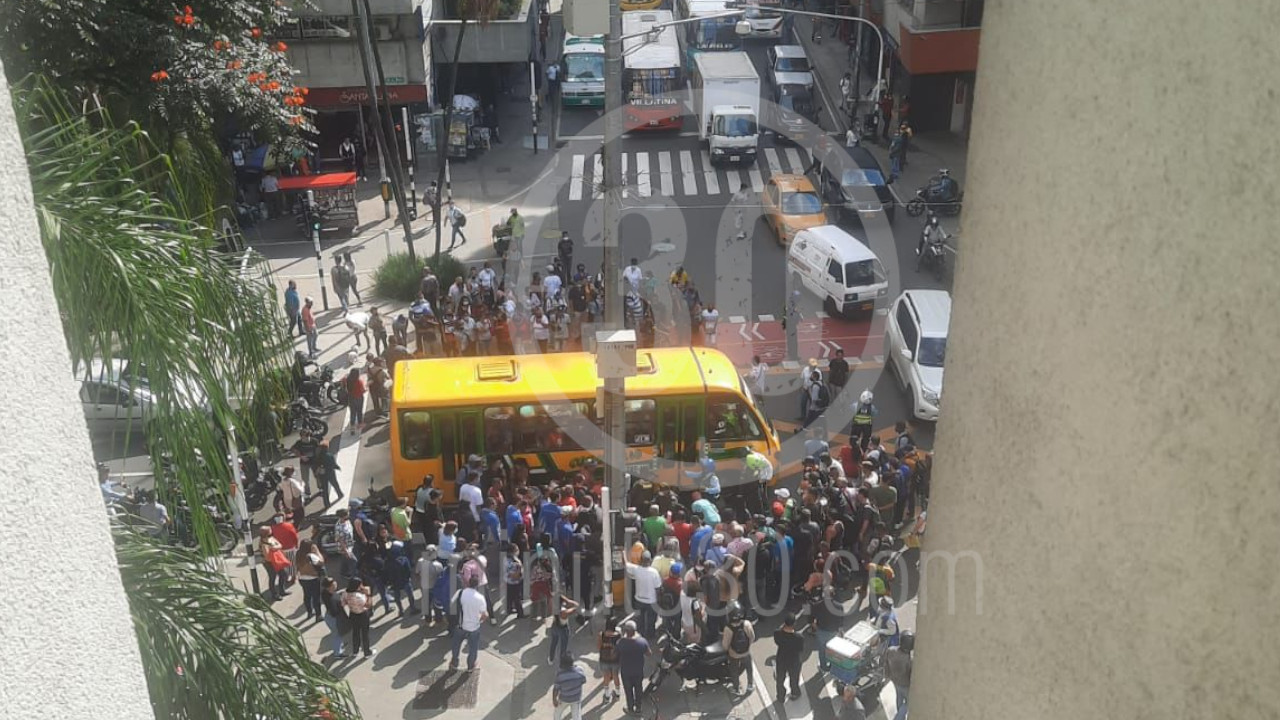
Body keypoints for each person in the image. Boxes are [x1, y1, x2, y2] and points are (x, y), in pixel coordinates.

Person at [450, 575, 488, 671]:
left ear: (468, 583)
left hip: (460, 626)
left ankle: (454, 663)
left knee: (456, 646)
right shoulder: (480, 598)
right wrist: (479, 621)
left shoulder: (460, 592)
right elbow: (485, 615)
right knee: (473, 648)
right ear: (478, 585)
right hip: (473, 628)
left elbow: (451, 604)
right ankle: (471, 666)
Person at [616, 620, 651, 715]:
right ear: (635, 630)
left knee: (628, 691)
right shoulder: (642, 641)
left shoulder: (621, 642)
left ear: (626, 631)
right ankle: (638, 708)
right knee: (638, 689)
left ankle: (630, 709)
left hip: (626, 671)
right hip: (638, 670)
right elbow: (649, 654)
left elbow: (616, 655)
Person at [625, 551, 662, 639]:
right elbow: (658, 588)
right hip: (651, 601)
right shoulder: (654, 572)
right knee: (651, 620)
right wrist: (658, 601)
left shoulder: (636, 569)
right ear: (650, 560)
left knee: (640, 619)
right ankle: (650, 635)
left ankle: (640, 633)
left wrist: (623, 552)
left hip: (639, 600)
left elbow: (626, 564)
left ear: (641, 560)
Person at [723, 608, 756, 694]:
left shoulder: (728, 628)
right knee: (749, 668)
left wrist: (728, 650)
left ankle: (736, 688)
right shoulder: (746, 624)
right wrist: (747, 646)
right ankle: (750, 685)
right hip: (746, 652)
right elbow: (752, 637)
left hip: (733, 654)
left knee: (734, 670)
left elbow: (725, 644)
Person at [773, 612, 804, 702]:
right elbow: (800, 649)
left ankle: (780, 695)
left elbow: (777, 641)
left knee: (780, 679)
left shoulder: (777, 633)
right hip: (794, 660)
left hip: (781, 658)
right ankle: (795, 693)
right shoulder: (799, 637)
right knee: (794, 678)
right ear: (794, 624)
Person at [343, 577, 375, 658]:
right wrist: (369, 595)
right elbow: (368, 605)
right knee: (365, 633)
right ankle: (367, 652)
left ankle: (355, 651)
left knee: (355, 633)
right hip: (362, 615)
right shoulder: (358, 596)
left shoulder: (345, 593)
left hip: (353, 614)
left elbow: (344, 602)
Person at [885, 631, 914, 720]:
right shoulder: (908, 660)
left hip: (894, 680)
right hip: (905, 684)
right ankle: (898, 718)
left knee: (899, 698)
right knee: (909, 703)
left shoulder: (891, 650)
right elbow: (911, 674)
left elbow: (886, 664)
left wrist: (887, 675)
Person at [296, 538, 326, 622]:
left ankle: (309, 612)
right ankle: (318, 615)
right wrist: (317, 552)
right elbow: (321, 562)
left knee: (307, 595)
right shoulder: (311, 556)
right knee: (316, 597)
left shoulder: (298, 553)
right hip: (313, 579)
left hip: (302, 578)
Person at [552, 653, 588, 720]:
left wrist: (554, 699)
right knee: (576, 716)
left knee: (557, 714)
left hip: (564, 699)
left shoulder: (560, 675)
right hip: (576, 698)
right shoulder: (580, 671)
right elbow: (583, 681)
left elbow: (556, 689)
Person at [321, 577, 349, 659]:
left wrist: (340, 593)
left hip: (329, 616)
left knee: (337, 633)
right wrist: (343, 603)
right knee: (337, 634)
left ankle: (340, 645)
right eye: (333, 584)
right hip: (333, 618)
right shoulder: (331, 600)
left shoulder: (326, 593)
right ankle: (337, 653)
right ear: (329, 587)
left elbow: (335, 594)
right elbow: (334, 612)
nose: (335, 583)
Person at [597, 615, 623, 702]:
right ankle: (618, 694)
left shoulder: (602, 634)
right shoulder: (619, 634)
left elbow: (598, 647)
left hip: (604, 659)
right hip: (616, 659)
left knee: (606, 676)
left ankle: (607, 696)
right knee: (615, 675)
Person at [548, 593, 578, 663]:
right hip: (563, 629)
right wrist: (567, 600)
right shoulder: (564, 612)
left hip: (554, 626)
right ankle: (562, 661)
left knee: (554, 643)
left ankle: (551, 658)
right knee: (563, 646)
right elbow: (576, 606)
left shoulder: (553, 607)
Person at [314, 440, 343, 507]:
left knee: (325, 489)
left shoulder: (318, 456)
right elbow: (333, 464)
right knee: (335, 484)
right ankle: (339, 494)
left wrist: (317, 474)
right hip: (330, 473)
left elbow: (316, 466)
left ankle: (327, 504)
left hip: (322, 474)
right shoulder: (329, 455)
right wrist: (337, 467)